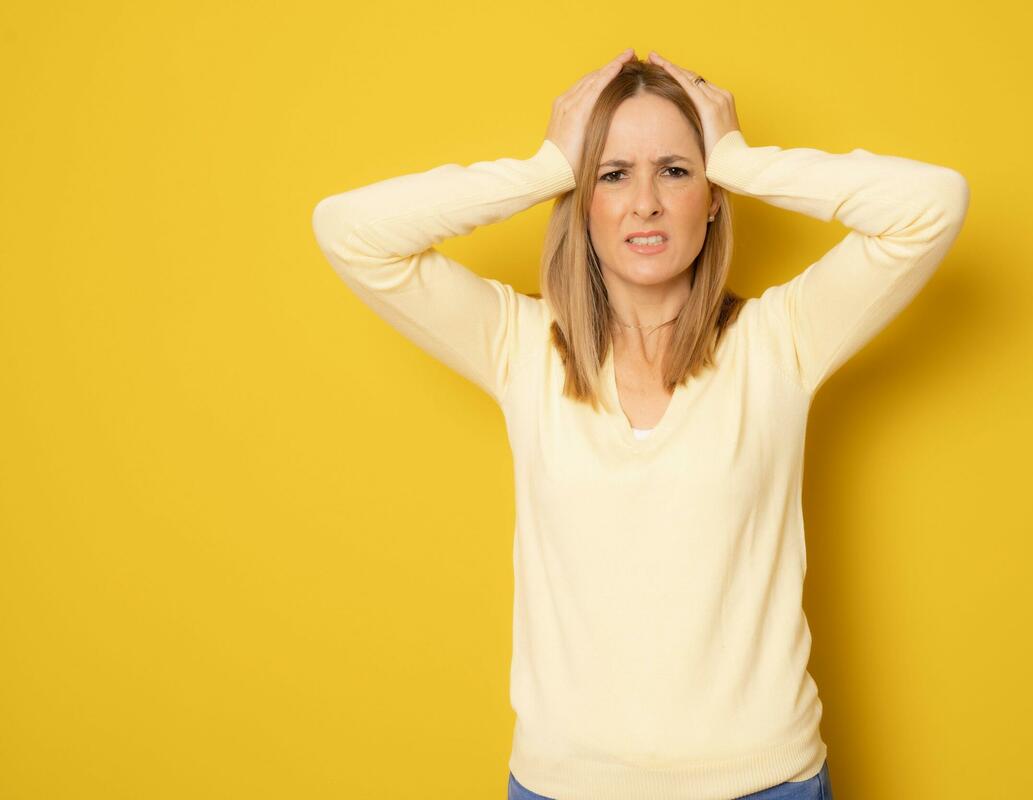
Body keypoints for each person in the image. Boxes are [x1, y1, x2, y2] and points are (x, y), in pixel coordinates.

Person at [311, 48, 968, 800]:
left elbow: (932, 204)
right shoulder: (518, 346)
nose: (645, 202)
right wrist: (544, 167)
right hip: (564, 786)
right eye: (613, 174)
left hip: (765, 783)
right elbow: (349, 230)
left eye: (677, 171)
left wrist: (741, 159)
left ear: (712, 198)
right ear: (581, 197)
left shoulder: (781, 339)